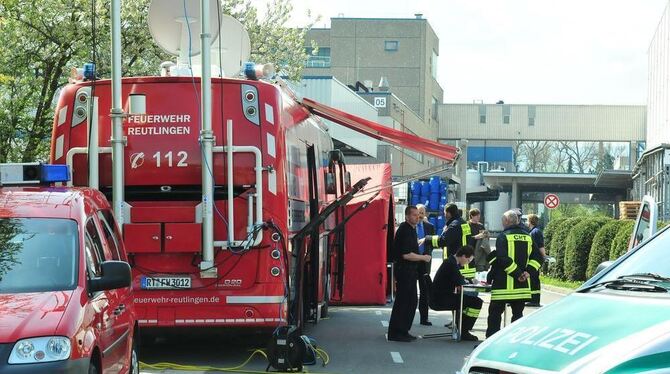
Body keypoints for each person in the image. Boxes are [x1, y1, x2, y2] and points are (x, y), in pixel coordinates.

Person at [485, 210, 543, 338]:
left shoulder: (503, 236)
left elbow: (502, 259)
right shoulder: (528, 236)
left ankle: (490, 342)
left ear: (506, 221)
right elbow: (538, 257)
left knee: (494, 315)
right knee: (518, 317)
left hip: (502, 286)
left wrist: (517, 274)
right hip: (521, 288)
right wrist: (527, 272)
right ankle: (514, 340)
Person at [388, 206, 432, 342]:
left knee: (411, 301)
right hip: (405, 271)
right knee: (404, 302)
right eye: (414, 215)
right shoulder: (405, 230)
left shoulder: (412, 230)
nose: (417, 217)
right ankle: (397, 332)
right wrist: (423, 258)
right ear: (407, 216)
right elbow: (406, 255)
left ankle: (404, 330)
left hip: (411, 271)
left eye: (418, 215)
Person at [431, 245, 483, 341]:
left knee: (467, 300)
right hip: (441, 299)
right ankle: (464, 331)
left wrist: (468, 280)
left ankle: (463, 329)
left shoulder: (451, 262)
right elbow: (460, 282)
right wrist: (471, 281)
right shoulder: (451, 264)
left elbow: (458, 279)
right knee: (477, 302)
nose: (467, 263)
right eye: (468, 261)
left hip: (441, 296)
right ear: (463, 256)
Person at [415, 204, 435, 326]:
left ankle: (424, 318)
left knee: (424, 291)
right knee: (411, 291)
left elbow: (432, 243)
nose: (421, 215)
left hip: (425, 262)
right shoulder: (410, 226)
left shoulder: (429, 227)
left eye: (423, 212)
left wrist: (427, 255)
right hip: (412, 261)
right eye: (419, 212)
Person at [526, 214, 546, 307]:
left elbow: (540, 246)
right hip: (533, 259)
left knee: (534, 280)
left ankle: (534, 300)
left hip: (534, 259)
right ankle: (533, 299)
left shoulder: (535, 232)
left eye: (527, 220)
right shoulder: (534, 231)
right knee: (533, 279)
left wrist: (544, 256)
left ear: (530, 221)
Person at [467, 208, 491, 273]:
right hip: (471, 249)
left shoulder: (480, 225)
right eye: (476, 215)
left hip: (480, 249)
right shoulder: (467, 225)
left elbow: (485, 237)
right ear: (471, 216)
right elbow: (466, 239)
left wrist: (487, 235)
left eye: (479, 215)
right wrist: (476, 237)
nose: (478, 217)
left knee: (480, 269)